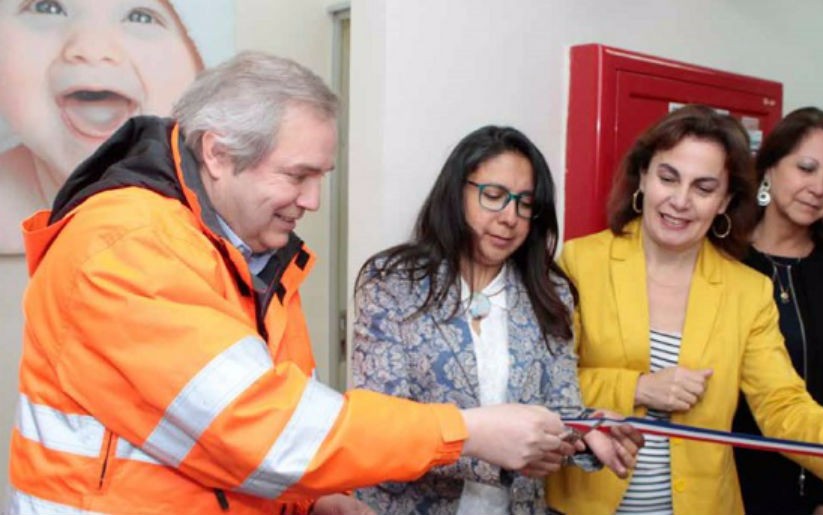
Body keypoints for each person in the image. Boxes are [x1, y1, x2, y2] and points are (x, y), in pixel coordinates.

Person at [8, 52, 590, 515]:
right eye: (298, 175)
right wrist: (463, 431)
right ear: (217, 152)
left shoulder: (256, 259)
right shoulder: (127, 248)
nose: (312, 201)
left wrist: (308, 500)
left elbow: (252, 431)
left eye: (321, 177)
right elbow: (264, 431)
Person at [545, 104, 823, 515]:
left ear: (725, 201)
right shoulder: (581, 262)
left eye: (704, 188)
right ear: (644, 177)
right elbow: (546, 383)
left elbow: (781, 401)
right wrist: (638, 387)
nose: (681, 201)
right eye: (669, 178)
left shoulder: (749, 290)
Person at [351, 125, 643, 514]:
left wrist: (586, 431)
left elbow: (559, 407)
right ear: (456, 193)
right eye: (493, 196)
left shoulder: (549, 291)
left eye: (525, 203)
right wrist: (502, 454)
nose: (511, 217)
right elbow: (384, 427)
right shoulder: (393, 283)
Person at [0, 0, 234, 254]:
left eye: (141, 17)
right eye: (47, 7)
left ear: (203, 64)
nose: (92, 49)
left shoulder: (237, 216)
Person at [732, 107, 823, 515]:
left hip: (816, 492)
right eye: (806, 168)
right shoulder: (723, 259)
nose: (818, 187)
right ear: (768, 168)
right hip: (722, 488)